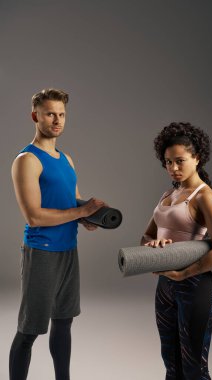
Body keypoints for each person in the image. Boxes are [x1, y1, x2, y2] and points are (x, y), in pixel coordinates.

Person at [9, 88, 106, 380]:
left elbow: (72, 201)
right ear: (35, 116)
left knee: (64, 323)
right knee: (29, 330)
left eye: (62, 114)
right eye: (50, 113)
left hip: (67, 251)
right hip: (42, 253)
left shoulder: (66, 158)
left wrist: (90, 215)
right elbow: (34, 215)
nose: (57, 120)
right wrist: (79, 212)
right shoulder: (27, 160)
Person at [141, 122, 212, 380]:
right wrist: (152, 248)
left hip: (195, 286)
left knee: (194, 369)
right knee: (172, 365)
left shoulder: (204, 197)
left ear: (197, 158)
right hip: (165, 287)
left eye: (180, 161)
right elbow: (147, 235)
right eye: (168, 162)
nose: (173, 168)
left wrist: (185, 274)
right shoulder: (168, 194)